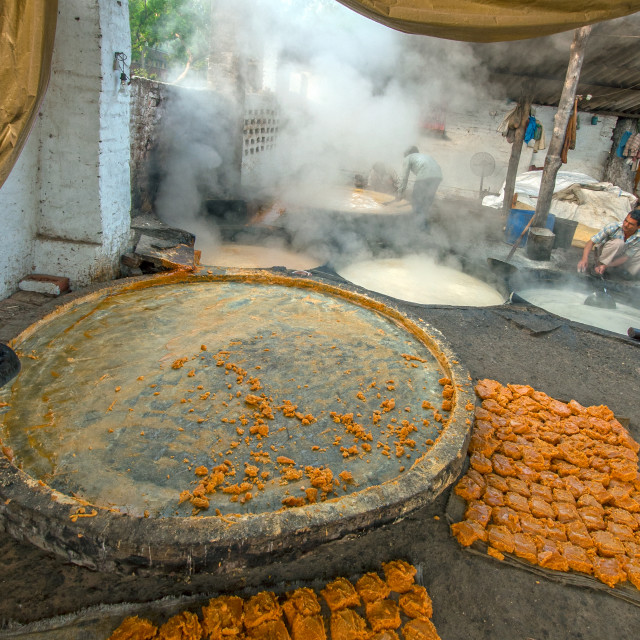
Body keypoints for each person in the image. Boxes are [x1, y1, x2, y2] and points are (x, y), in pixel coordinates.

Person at [577, 209, 640, 277]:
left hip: (620, 257)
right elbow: (591, 242)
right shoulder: (613, 227)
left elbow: (626, 257)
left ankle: (625, 273)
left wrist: (607, 266)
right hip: (604, 253)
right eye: (626, 220)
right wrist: (584, 259)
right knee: (619, 243)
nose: (626, 224)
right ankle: (598, 266)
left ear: (638, 227)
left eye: (631, 224)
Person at [397, 146, 442, 219]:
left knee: (416, 201)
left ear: (407, 153)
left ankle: (417, 224)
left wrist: (400, 193)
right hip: (438, 176)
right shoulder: (425, 156)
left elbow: (404, 177)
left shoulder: (408, 157)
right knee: (427, 201)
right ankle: (424, 224)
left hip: (425, 176)